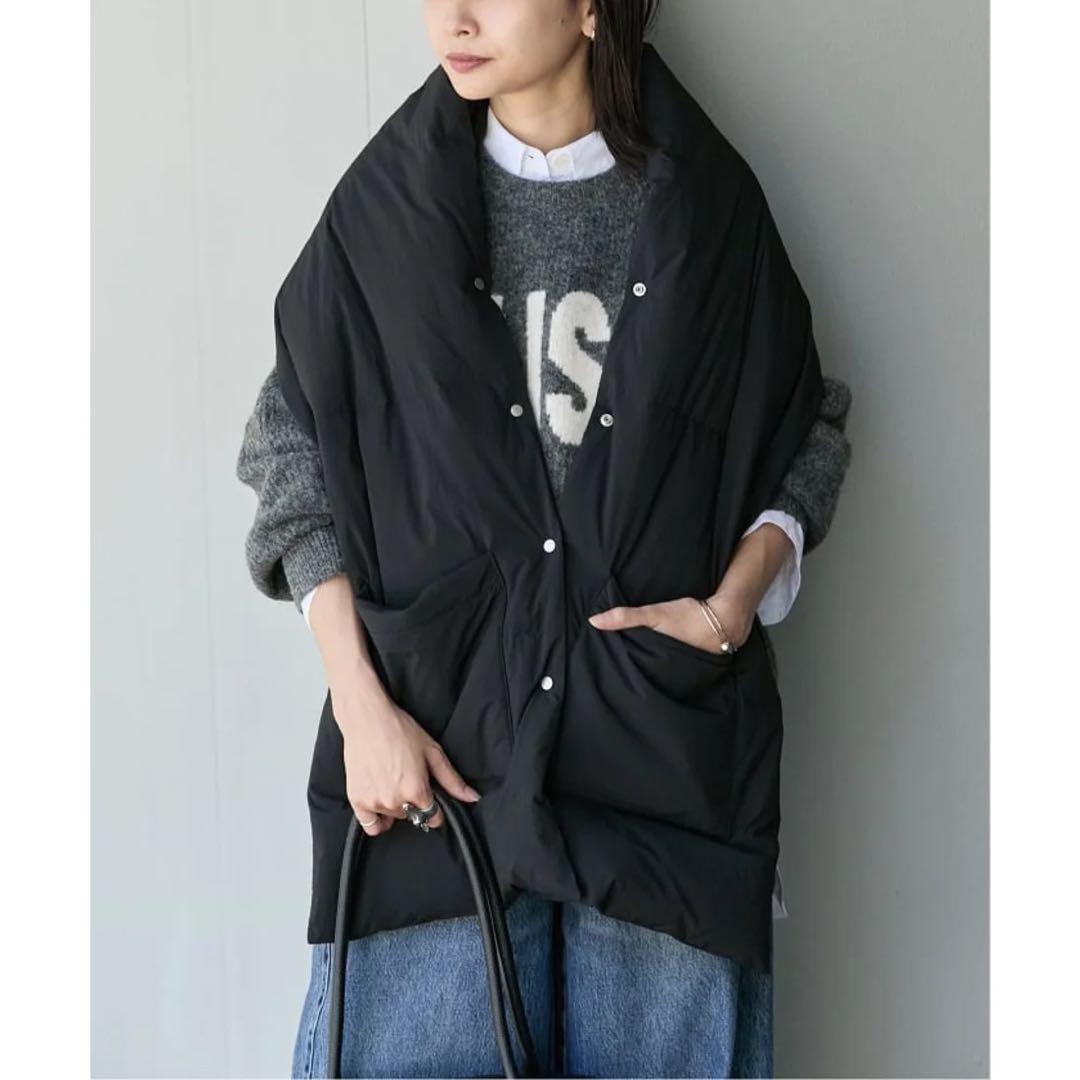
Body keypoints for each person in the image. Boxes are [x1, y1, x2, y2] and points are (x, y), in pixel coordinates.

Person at [236, 2, 853, 1076]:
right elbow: (290, 450)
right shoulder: (386, 210)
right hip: (435, 773)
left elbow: (805, 427)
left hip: (658, 774)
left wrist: (728, 609)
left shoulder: (706, 207)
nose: (455, 15)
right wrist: (362, 707)